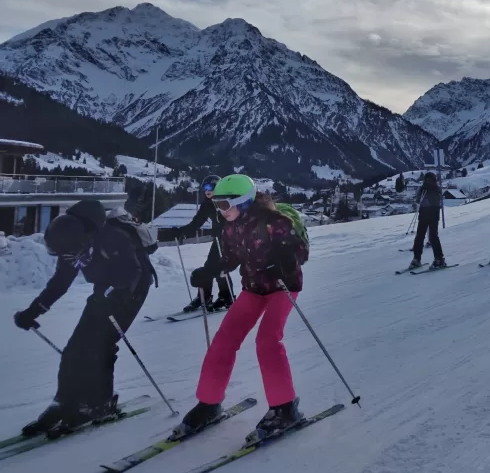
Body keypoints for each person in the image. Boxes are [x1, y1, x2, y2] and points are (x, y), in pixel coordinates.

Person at [173, 174, 310, 437]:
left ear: (244, 202)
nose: (220, 211)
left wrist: (284, 262)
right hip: (253, 289)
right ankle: (209, 403)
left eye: (225, 205)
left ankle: (284, 408)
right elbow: (232, 257)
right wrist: (210, 271)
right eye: (217, 206)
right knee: (224, 340)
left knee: (267, 341)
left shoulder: (275, 222)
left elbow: (301, 252)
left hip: (282, 287)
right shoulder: (230, 226)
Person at [14, 201, 156, 437]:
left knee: (100, 345)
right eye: (63, 255)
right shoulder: (71, 244)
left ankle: (101, 403)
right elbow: (60, 283)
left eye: (69, 254)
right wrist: (33, 311)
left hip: (133, 289)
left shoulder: (112, 237)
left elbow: (133, 272)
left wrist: (114, 295)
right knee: (75, 348)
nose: (67, 258)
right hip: (105, 290)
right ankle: (63, 402)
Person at [170, 174, 234, 313]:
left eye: (211, 187)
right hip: (219, 239)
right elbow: (196, 223)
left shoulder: (226, 201)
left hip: (231, 239)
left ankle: (224, 297)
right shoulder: (207, 204)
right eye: (205, 187)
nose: (207, 190)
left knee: (217, 268)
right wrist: (181, 232)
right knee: (211, 267)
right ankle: (209, 297)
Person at [409, 172, 446, 270]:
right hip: (430, 214)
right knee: (427, 237)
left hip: (428, 214)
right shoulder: (433, 188)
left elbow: (419, 200)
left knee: (425, 236)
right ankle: (434, 258)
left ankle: (434, 259)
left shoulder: (426, 189)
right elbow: (436, 201)